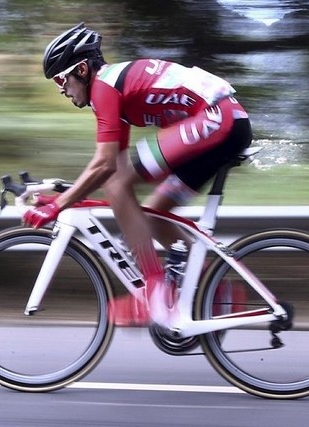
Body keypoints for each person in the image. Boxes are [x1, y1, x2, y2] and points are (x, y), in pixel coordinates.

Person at [23, 22, 252, 327]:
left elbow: (106, 168)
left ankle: (155, 294)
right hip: (227, 120)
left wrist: (58, 205)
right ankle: (216, 291)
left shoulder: (105, 86)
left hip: (216, 118)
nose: (61, 88)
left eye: (61, 78)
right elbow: (110, 164)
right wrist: (64, 195)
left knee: (118, 186)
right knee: (156, 212)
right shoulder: (115, 88)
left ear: (81, 70)